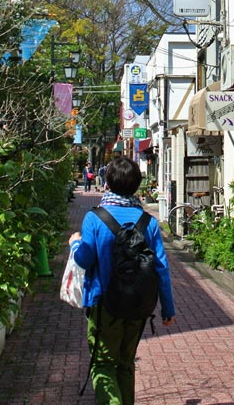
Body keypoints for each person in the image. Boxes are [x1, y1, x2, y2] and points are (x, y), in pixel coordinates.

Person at [68, 156, 175, 404]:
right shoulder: (148, 222)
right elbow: (161, 268)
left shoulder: (95, 218)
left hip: (104, 304)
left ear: (107, 182)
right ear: (136, 186)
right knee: (126, 364)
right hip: (138, 306)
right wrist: (167, 309)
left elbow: (84, 260)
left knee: (103, 364)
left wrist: (74, 244)